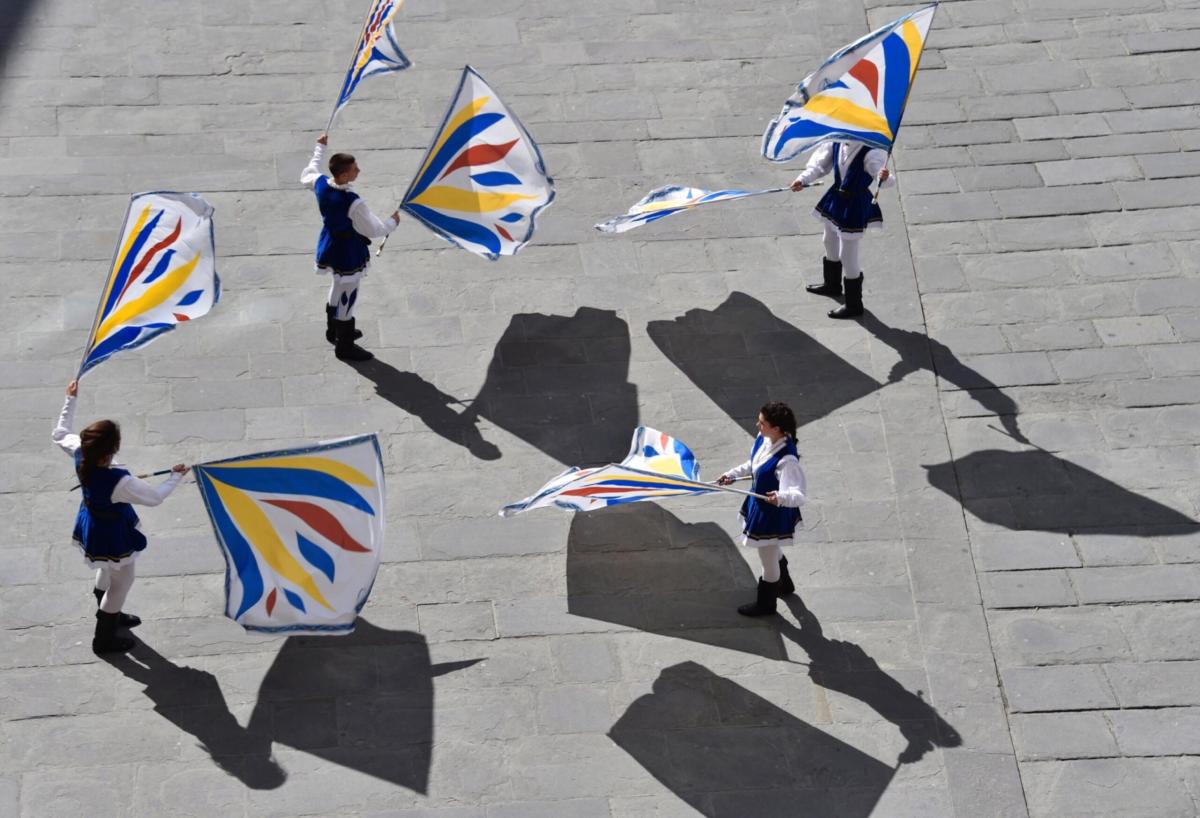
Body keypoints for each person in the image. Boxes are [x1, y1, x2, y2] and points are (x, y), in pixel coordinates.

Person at [52, 380, 189, 653]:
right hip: (113, 533)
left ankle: (107, 610)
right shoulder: (121, 482)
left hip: (92, 523)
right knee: (122, 582)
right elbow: (155, 498)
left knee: (106, 569)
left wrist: (71, 399)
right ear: (110, 450)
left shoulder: (80, 451)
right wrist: (175, 477)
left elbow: (60, 433)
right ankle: (104, 637)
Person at [300, 133, 401, 362]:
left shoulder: (320, 183)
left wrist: (319, 148)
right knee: (349, 291)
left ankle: (333, 330)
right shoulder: (353, 202)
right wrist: (392, 222)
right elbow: (375, 230)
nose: (359, 171)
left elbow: (308, 171)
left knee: (337, 284)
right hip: (347, 250)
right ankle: (344, 344)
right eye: (355, 169)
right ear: (344, 175)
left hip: (330, 243)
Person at [717, 401, 807, 616]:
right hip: (761, 507)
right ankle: (784, 585)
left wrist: (780, 496)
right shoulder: (764, 439)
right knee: (772, 550)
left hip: (771, 515)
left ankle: (766, 604)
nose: (758, 425)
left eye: (762, 422)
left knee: (768, 559)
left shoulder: (787, 460)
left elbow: (798, 494)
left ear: (776, 428)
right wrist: (732, 475)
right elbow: (753, 465)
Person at [791, 140, 895, 319]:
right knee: (828, 239)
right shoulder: (837, 143)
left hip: (854, 203)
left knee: (848, 254)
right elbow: (819, 165)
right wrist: (802, 179)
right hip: (837, 198)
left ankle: (854, 304)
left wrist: (884, 177)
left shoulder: (871, 152)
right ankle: (832, 284)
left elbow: (882, 178)